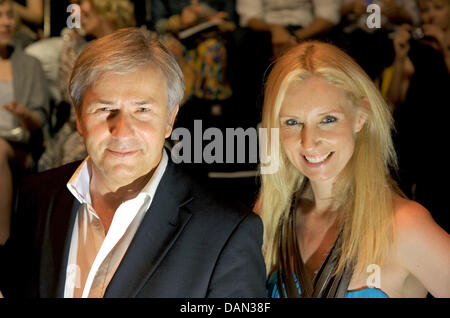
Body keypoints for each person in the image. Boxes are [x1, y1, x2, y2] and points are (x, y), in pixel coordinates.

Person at [0, 27, 266, 298]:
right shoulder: (37, 197)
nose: (123, 131)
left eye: (142, 110)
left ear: (170, 120)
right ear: (79, 118)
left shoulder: (227, 231)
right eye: (105, 109)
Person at [257, 41, 450, 298]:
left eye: (327, 119)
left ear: (360, 117)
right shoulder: (271, 218)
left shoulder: (405, 226)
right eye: (292, 122)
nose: (308, 141)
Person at [37, 0, 136, 172]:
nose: (76, 11)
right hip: (81, 128)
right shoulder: (75, 48)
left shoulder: (138, 45)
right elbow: (70, 93)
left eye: (81, 2)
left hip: (129, 124)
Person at [385, 0, 450, 232]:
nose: (431, 15)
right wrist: (400, 57)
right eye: (424, 10)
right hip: (417, 133)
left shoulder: (440, 47)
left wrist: (442, 48)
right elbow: (394, 98)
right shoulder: (417, 47)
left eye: (438, 8)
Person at [0, 0, 48, 245]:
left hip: (19, 147)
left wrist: (24, 114)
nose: (6, 22)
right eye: (0, 16)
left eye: (9, 15)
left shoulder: (30, 65)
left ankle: (3, 246)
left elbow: (40, 121)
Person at [151, 0, 235, 104]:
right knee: (168, 48)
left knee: (211, 49)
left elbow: (231, 22)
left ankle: (207, 108)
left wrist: (212, 17)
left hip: (211, 37)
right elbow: (157, 23)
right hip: (177, 37)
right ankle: (176, 106)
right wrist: (177, 21)